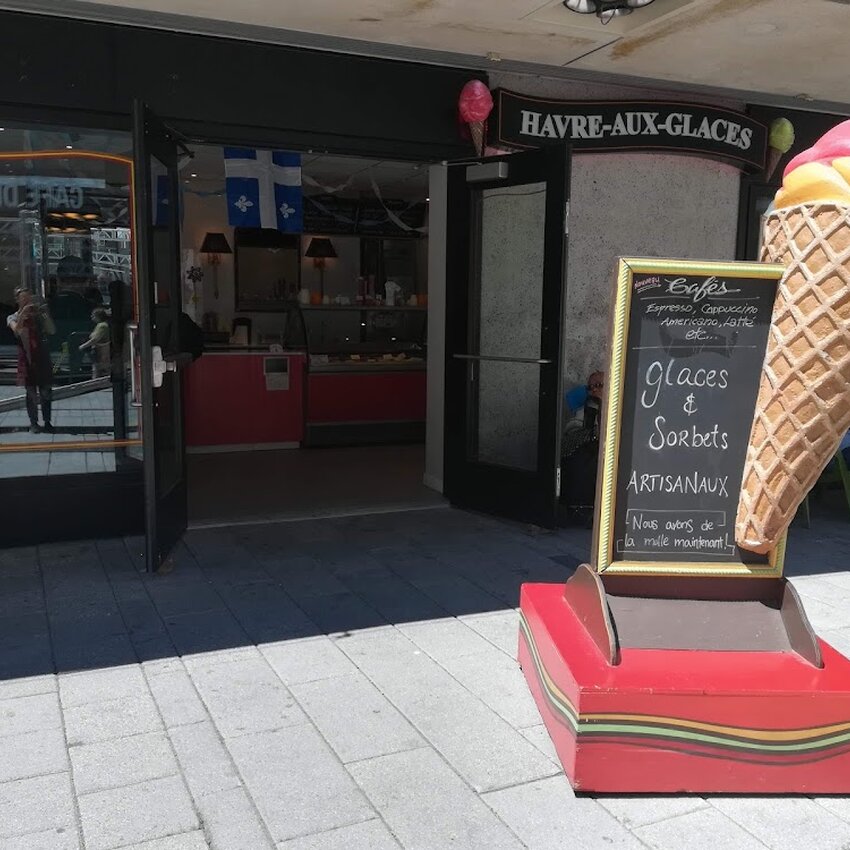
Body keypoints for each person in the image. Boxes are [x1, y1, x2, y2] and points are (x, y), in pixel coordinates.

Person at [7, 286, 55, 433]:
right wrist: (23, 314)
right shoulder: (12, 317)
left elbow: (52, 330)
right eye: (24, 298)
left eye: (29, 298)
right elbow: (17, 331)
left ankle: (47, 421)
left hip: (42, 356)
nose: (27, 301)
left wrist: (44, 314)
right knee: (31, 393)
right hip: (27, 358)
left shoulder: (38, 315)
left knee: (46, 391)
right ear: (18, 300)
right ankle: (33, 423)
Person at [560, 371, 604, 513]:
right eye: (590, 388)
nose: (594, 390)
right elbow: (572, 429)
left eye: (598, 385)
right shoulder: (587, 407)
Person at [78, 308, 111, 378]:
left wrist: (83, 346)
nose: (91, 317)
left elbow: (95, 339)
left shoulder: (102, 326)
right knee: (98, 368)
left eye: (93, 315)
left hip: (101, 351)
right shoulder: (100, 325)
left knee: (99, 369)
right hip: (99, 351)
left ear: (98, 316)